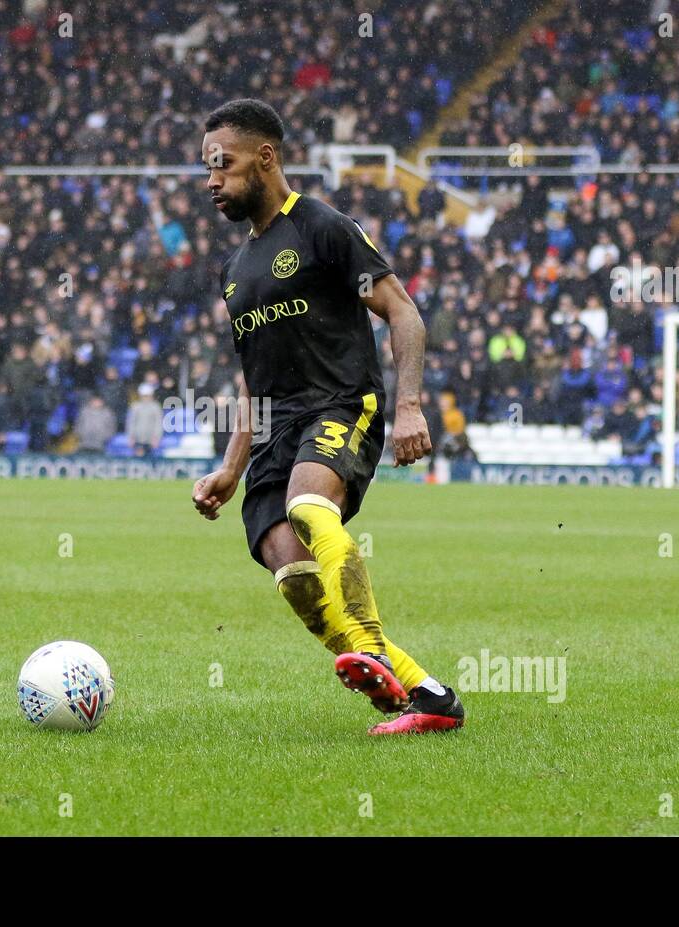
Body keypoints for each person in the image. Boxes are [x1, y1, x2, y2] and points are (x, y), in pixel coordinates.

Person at [190, 99, 463, 736]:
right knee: (294, 576)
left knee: (312, 511)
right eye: (206, 169)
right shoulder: (233, 272)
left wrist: (410, 406)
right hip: (274, 434)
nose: (211, 182)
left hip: (340, 406)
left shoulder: (321, 226)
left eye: (222, 166)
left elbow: (403, 311)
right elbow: (250, 381)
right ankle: (428, 696)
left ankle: (367, 647)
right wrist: (230, 469)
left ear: (265, 158)